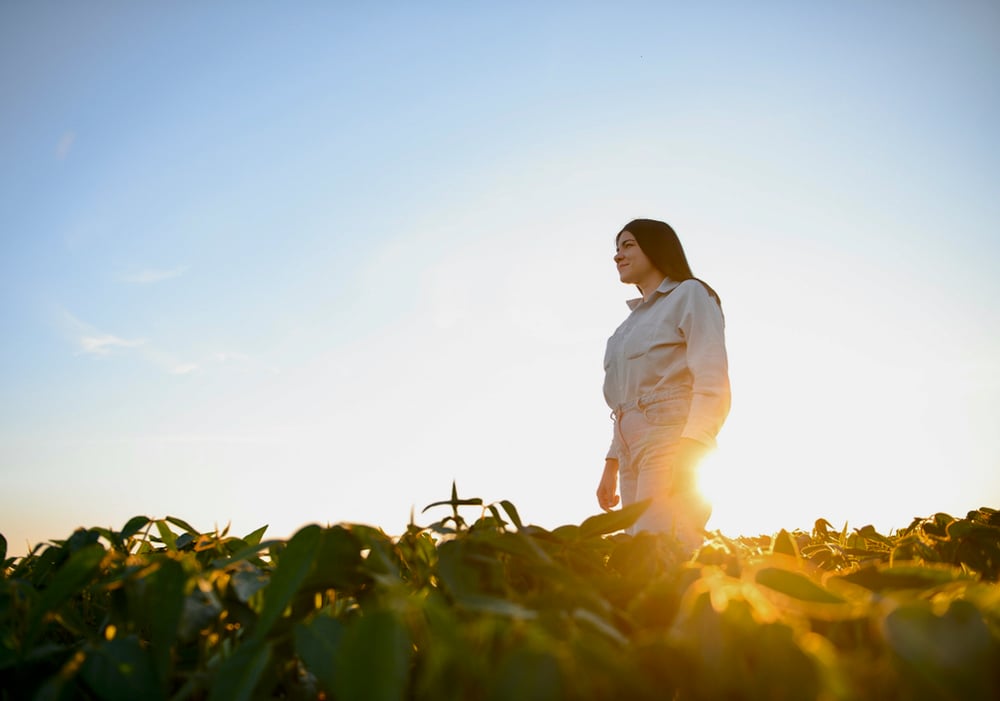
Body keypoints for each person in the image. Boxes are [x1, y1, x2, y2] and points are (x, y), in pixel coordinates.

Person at [597, 218, 730, 551]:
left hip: (669, 437)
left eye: (628, 245)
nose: (618, 256)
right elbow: (623, 398)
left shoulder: (690, 294)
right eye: (616, 249)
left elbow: (712, 377)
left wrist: (694, 445)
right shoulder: (624, 328)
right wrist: (611, 464)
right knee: (636, 547)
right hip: (628, 446)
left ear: (656, 248)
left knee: (663, 545)